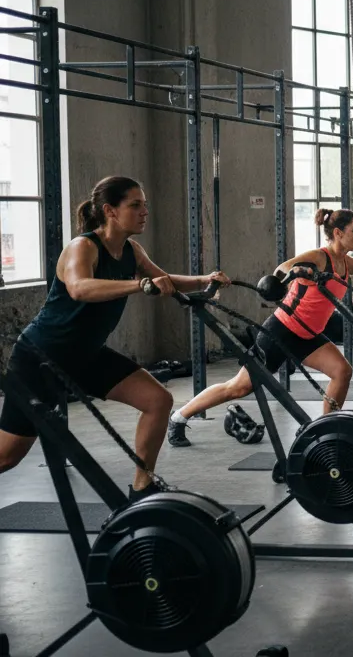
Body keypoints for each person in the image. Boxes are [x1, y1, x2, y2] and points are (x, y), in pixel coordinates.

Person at [0, 176, 228, 498]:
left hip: (86, 356)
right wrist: (140, 285)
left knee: (158, 400)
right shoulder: (83, 247)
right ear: (109, 210)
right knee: (7, 456)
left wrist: (205, 279)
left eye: (145, 205)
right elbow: (79, 288)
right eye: (135, 205)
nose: (144, 212)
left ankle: (142, 487)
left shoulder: (132, 251)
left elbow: (163, 280)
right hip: (40, 357)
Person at [168, 208, 353, 447]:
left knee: (342, 371)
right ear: (338, 233)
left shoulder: (344, 262)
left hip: (308, 336)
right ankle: (178, 417)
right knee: (239, 387)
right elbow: (282, 269)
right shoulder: (319, 257)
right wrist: (297, 272)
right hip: (281, 331)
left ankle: (325, 432)